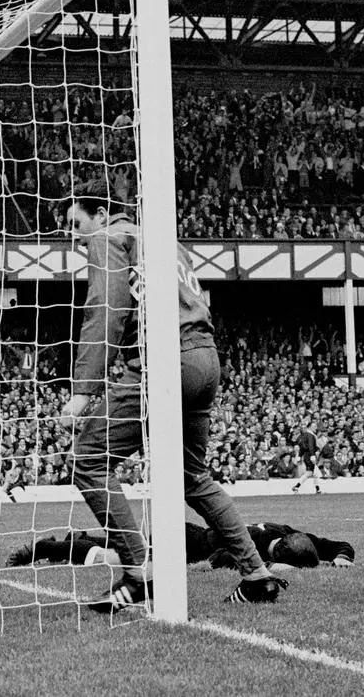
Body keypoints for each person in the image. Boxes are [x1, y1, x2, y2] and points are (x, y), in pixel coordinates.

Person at [60, 179, 285, 613]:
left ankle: (139, 573)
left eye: (76, 222)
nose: (73, 234)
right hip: (206, 358)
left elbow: (105, 313)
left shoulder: (109, 238)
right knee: (192, 477)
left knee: (89, 461)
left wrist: (83, 391)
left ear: (102, 216)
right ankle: (257, 576)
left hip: (164, 361)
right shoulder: (166, 241)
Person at [7, 520, 355, 571]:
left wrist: (342, 558)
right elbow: (215, 561)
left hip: (188, 533)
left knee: (119, 544)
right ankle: (47, 548)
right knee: (112, 556)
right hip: (185, 544)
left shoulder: (292, 534)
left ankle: (68, 541)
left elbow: (340, 544)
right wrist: (262, 569)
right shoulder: (252, 544)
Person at [290, 418, 321, 494]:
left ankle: (318, 490)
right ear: (309, 427)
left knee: (314, 473)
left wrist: (300, 456)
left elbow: (302, 447)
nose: (316, 428)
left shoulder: (303, 436)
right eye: (314, 426)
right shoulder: (310, 435)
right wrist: (313, 455)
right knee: (310, 473)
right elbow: (310, 446)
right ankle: (296, 486)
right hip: (310, 455)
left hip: (306, 455)